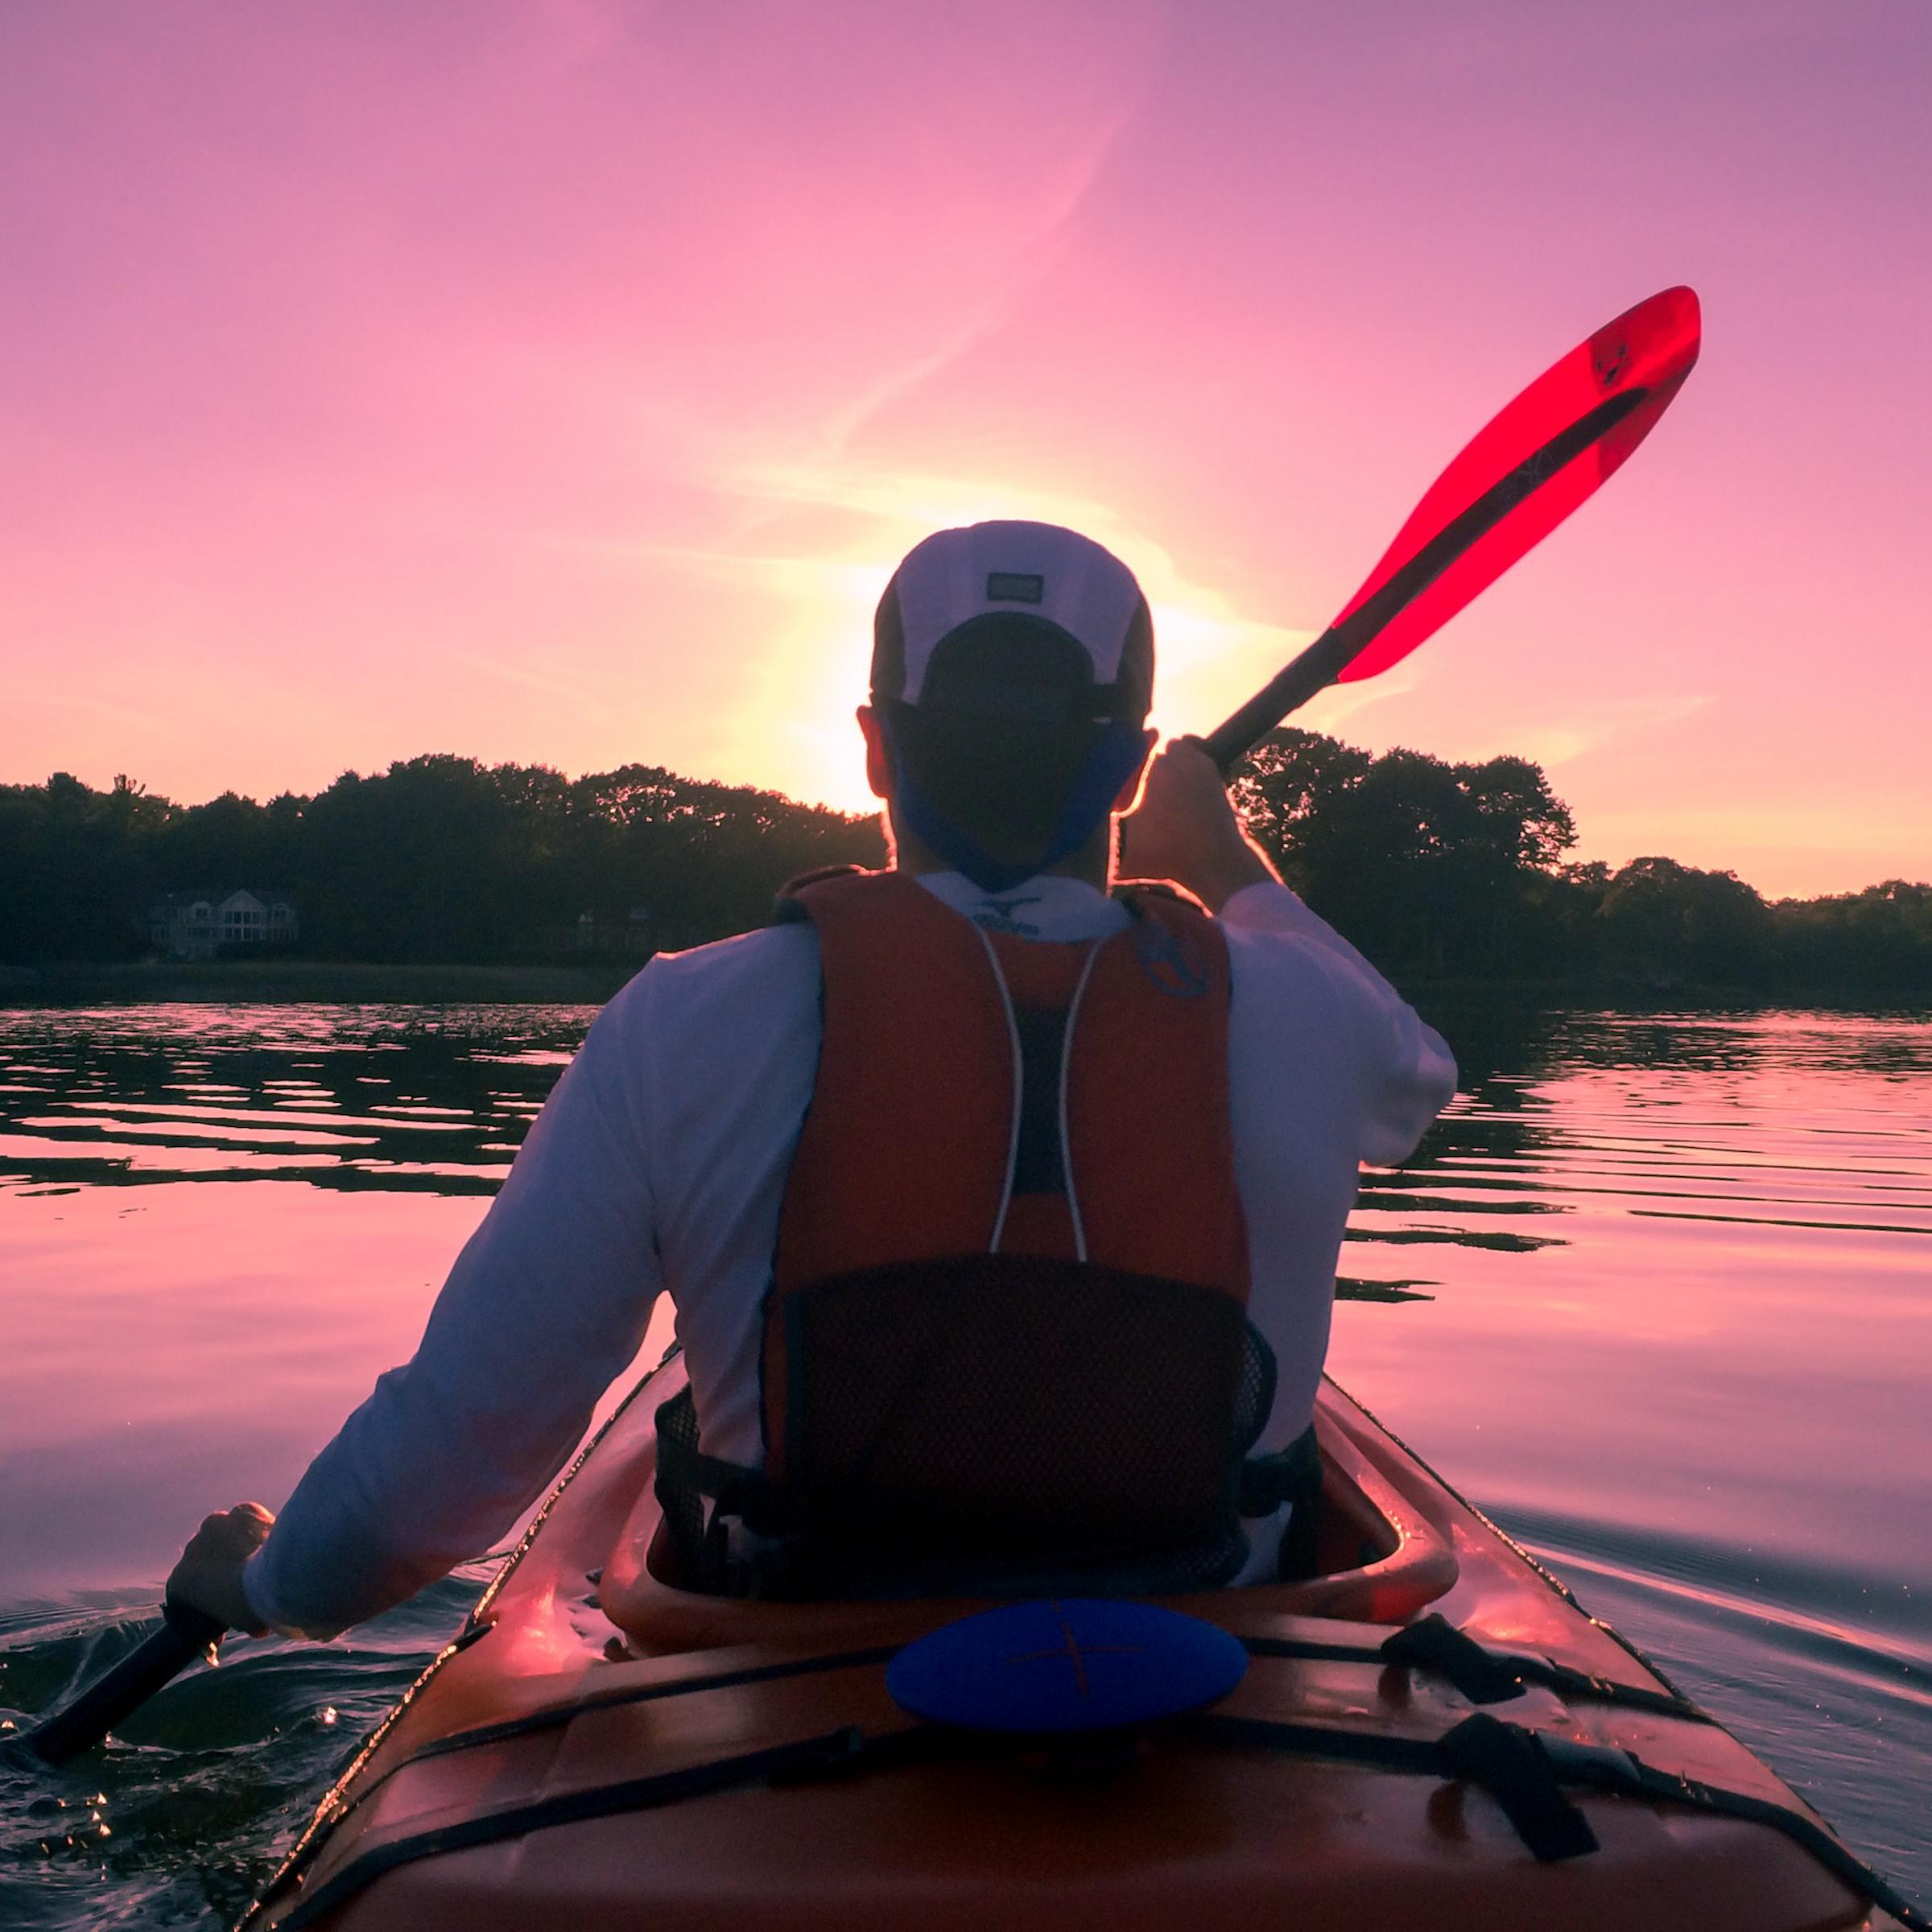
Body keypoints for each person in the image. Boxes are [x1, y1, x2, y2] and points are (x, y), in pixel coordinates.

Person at [168, 521, 1456, 1633]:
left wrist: (268, 1586)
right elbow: (1421, 1079)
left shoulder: (684, 1020)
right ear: (1126, 767)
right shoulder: (1302, 1009)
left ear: (874, 750)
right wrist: (1226, 857)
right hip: (1221, 1668)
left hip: (798, 1675)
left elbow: (446, 1461)